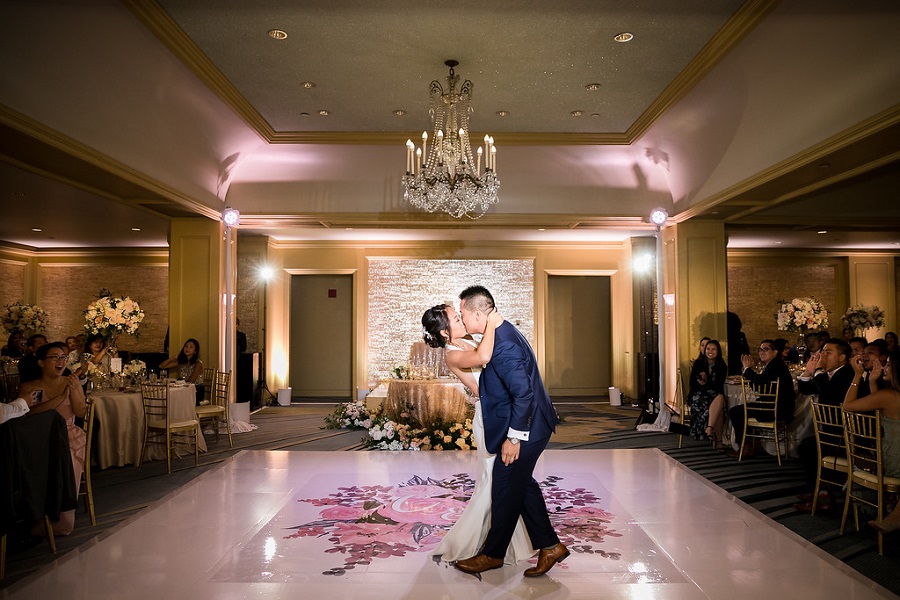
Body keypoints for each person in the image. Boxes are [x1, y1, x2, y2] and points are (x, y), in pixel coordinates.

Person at [453, 286, 566, 578]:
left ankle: (492, 555)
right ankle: (551, 546)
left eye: (463, 314)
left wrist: (515, 437)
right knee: (520, 485)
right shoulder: (501, 332)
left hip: (528, 426)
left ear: (478, 313)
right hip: (531, 422)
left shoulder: (504, 345)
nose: (463, 320)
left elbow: (524, 394)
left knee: (504, 488)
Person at [421, 303, 533, 564]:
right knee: (492, 479)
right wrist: (492, 323)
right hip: (489, 417)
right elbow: (484, 358)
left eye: (460, 316)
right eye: (455, 318)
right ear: (445, 333)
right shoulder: (452, 355)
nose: (461, 320)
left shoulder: (467, 341)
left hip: (500, 412)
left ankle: (503, 541)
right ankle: (480, 542)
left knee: (505, 477)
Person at [17, 342, 87, 535]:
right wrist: (61, 397)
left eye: (63, 357)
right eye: (55, 357)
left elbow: (81, 412)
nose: (61, 361)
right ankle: (35, 514)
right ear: (41, 362)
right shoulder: (31, 386)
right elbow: (30, 413)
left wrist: (74, 392)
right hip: (37, 437)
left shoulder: (70, 382)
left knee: (66, 462)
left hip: (69, 435)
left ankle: (62, 521)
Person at [794, 338, 854, 513]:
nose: (822, 356)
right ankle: (818, 490)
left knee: (809, 448)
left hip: (847, 437)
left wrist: (819, 370)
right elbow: (806, 390)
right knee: (807, 446)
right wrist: (808, 372)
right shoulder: (830, 375)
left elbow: (828, 392)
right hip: (832, 434)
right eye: (823, 352)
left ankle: (823, 495)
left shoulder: (847, 374)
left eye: (828, 353)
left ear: (842, 357)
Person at [843, 350, 900, 533]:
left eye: (889, 365)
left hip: (891, 459)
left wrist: (857, 375)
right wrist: (872, 381)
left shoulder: (890, 396)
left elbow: (847, 406)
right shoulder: (890, 396)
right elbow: (881, 409)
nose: (884, 367)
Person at [728, 339, 795, 458]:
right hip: (773, 406)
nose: (761, 352)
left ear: (775, 352)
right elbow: (760, 387)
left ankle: (747, 447)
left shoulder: (775, 365)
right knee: (741, 410)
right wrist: (749, 371)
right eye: (760, 350)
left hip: (777, 410)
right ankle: (753, 445)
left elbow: (759, 382)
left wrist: (748, 369)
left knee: (736, 412)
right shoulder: (774, 364)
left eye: (765, 349)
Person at [687, 339, 727, 447]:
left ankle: (710, 428)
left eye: (713, 349)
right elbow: (692, 382)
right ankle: (719, 440)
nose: (710, 351)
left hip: (713, 393)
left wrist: (707, 381)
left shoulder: (722, 366)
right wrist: (700, 382)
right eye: (708, 349)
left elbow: (718, 386)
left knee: (719, 399)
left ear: (718, 351)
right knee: (718, 405)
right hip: (698, 395)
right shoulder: (699, 363)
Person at [160, 338, 205, 404]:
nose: (187, 349)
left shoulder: (198, 363)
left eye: (191, 347)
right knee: (171, 398)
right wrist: (173, 357)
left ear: (195, 351)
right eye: (186, 346)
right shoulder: (182, 361)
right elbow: (162, 366)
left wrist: (177, 383)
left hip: (196, 390)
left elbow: (191, 381)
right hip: (184, 389)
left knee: (175, 399)